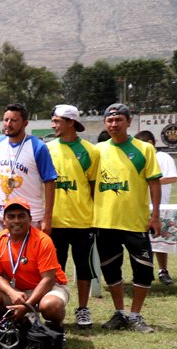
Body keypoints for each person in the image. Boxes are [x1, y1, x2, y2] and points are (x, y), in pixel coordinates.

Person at [93, 103, 163, 332]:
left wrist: (155, 216)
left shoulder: (144, 149)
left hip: (136, 222)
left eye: (119, 120)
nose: (114, 124)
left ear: (129, 121)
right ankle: (120, 313)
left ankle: (136, 315)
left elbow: (154, 183)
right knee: (111, 271)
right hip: (106, 222)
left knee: (143, 270)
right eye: (110, 120)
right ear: (105, 123)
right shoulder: (98, 150)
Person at [46, 105, 99, 328]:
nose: (53, 124)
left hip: (82, 221)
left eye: (57, 121)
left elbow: (94, 187)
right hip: (54, 222)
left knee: (84, 267)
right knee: (54, 268)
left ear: (70, 122)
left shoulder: (90, 151)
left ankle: (83, 309)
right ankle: (55, 306)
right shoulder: (47, 149)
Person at [0, 199, 68, 329]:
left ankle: (56, 328)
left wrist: (26, 306)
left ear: (30, 219)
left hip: (49, 288)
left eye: (21, 216)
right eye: (11, 216)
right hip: (18, 291)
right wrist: (12, 292)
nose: (16, 221)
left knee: (50, 306)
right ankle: (17, 322)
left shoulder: (43, 240)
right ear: (4, 221)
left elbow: (48, 279)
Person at [0, 103, 57, 231]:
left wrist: (47, 218)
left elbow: (49, 181)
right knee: (2, 252)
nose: (8, 124)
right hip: (2, 219)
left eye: (14, 120)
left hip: (30, 219)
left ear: (25, 123)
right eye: (6, 120)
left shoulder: (37, 146)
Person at [134, 130, 176, 286]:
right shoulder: (138, 158)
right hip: (139, 206)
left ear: (151, 143)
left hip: (160, 206)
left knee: (160, 241)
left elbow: (173, 176)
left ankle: (163, 270)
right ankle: (144, 272)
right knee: (141, 242)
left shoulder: (163, 157)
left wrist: (152, 181)